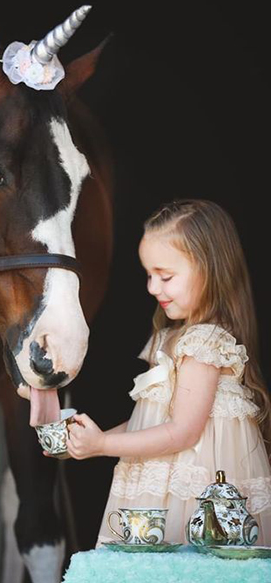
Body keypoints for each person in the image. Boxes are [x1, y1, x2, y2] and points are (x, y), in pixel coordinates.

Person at [66, 199, 271, 545]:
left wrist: (103, 445)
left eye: (165, 276)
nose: (152, 287)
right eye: (149, 275)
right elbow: (150, 422)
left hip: (188, 492)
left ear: (210, 268)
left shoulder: (203, 344)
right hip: (157, 486)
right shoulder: (172, 338)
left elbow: (182, 433)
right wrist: (91, 438)